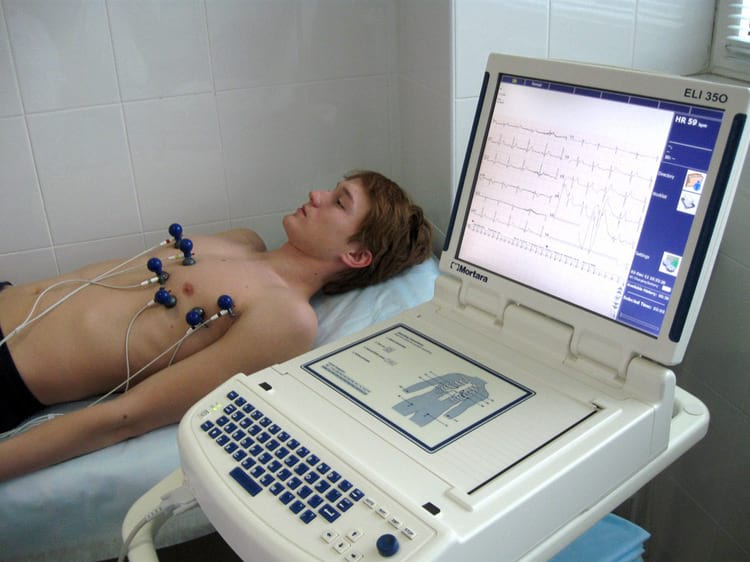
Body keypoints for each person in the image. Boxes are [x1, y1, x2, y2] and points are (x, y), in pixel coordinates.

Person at [0, 170, 432, 482]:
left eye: (339, 201)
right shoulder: (243, 241)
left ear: (356, 255)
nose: (316, 194)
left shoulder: (287, 318)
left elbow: (128, 416)